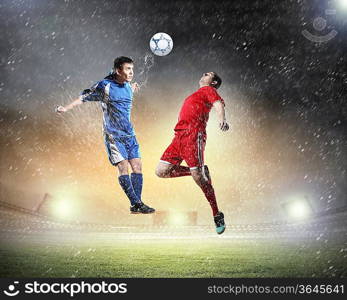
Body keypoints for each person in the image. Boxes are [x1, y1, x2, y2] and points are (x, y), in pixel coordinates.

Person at [56, 56, 155, 214]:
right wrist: (66, 108)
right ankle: (136, 203)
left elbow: (127, 92)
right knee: (123, 167)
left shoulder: (129, 86)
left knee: (137, 167)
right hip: (113, 135)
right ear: (118, 70)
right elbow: (83, 98)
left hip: (130, 134)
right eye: (128, 69)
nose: (131, 72)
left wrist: (133, 87)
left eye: (132, 69)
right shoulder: (105, 86)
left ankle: (136, 204)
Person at [155, 72, 229, 234]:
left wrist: (222, 119)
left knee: (199, 179)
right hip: (178, 137)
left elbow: (218, 104)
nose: (204, 74)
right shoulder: (196, 94)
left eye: (208, 74)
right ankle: (198, 172)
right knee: (161, 171)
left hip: (193, 135)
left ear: (214, 82)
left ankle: (216, 214)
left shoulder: (209, 90)